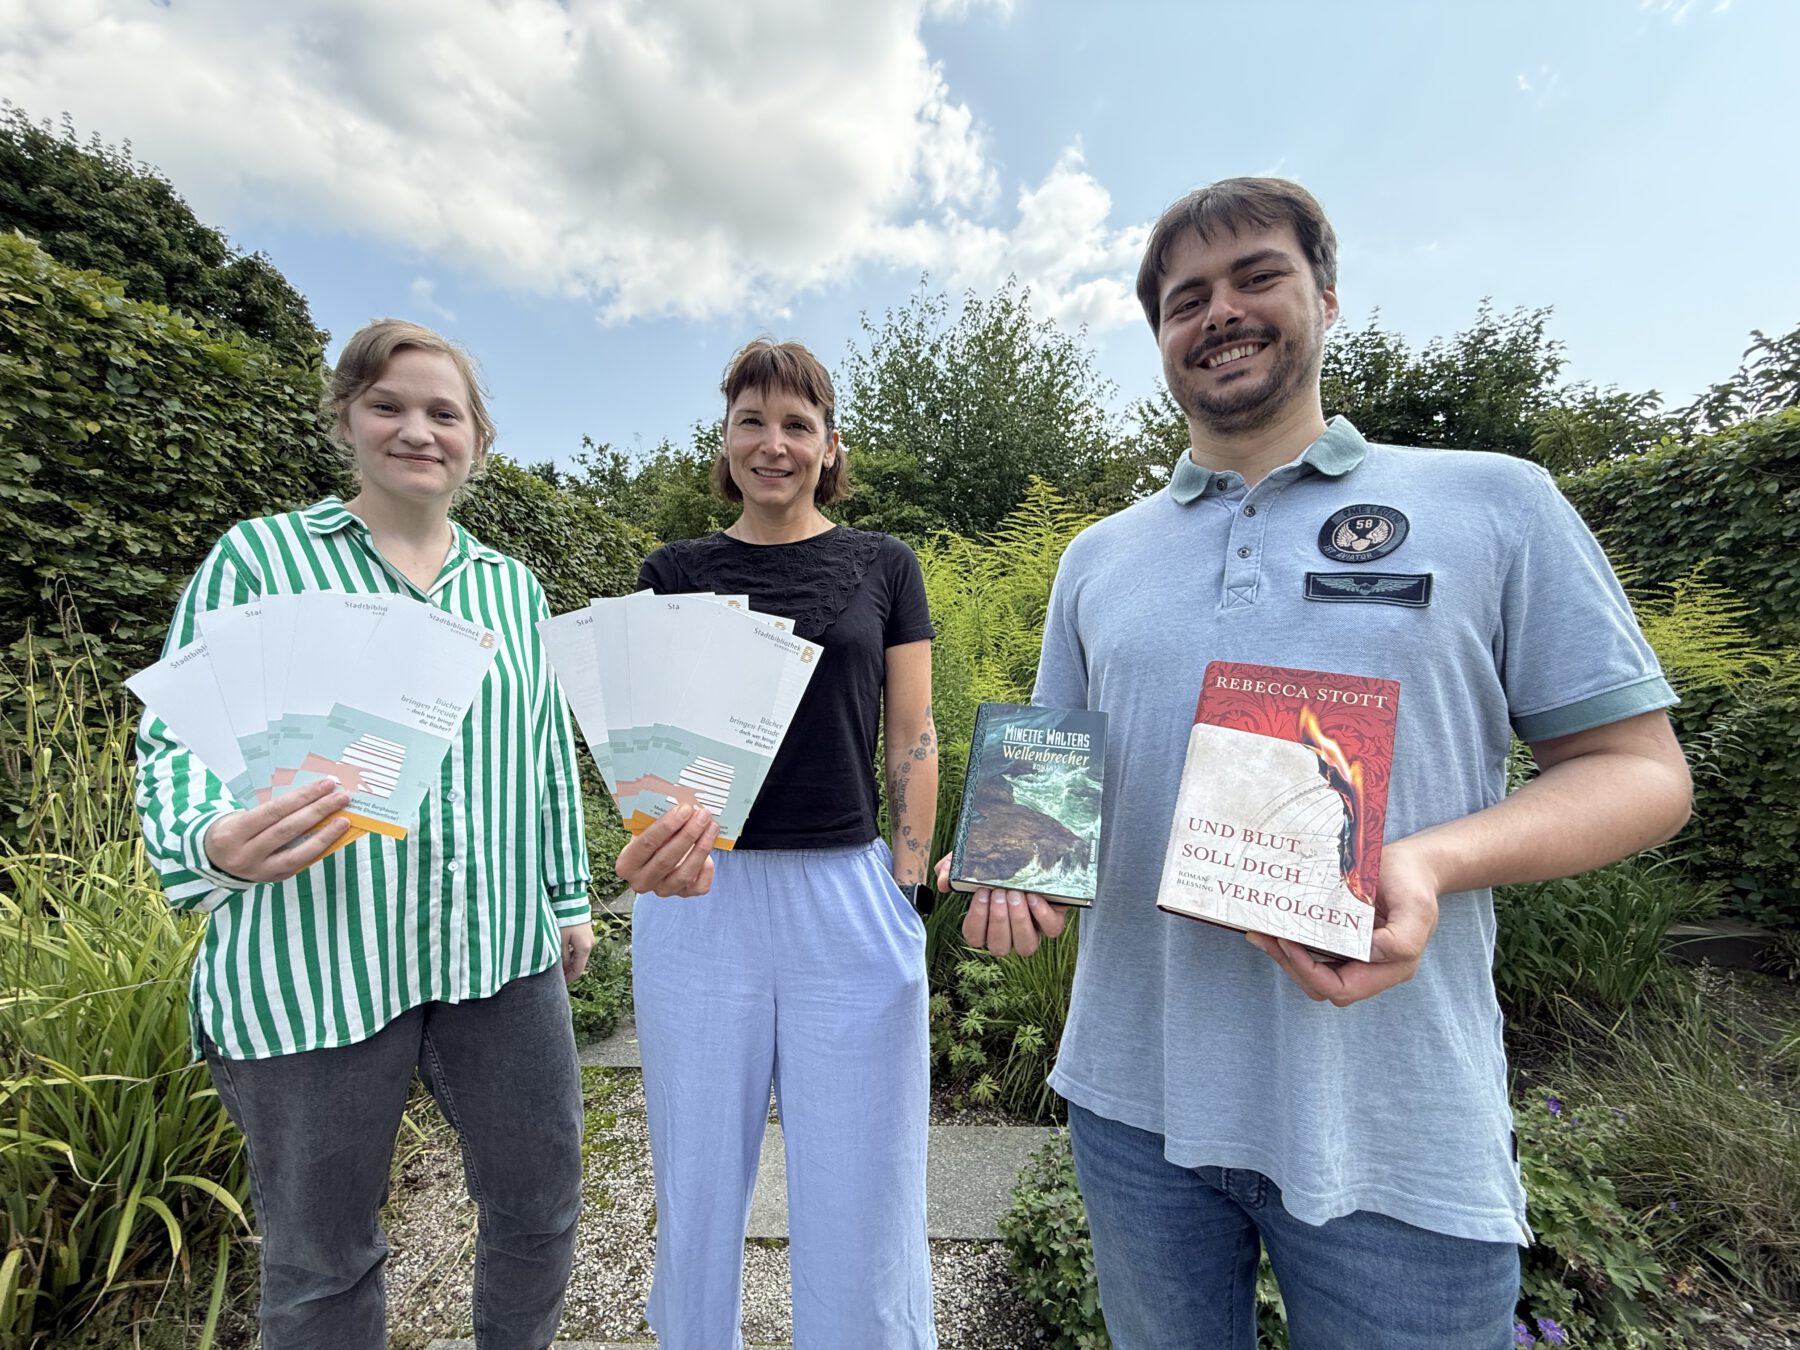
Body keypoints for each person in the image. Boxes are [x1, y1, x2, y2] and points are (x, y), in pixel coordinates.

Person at [942, 178, 1693, 1349]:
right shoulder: (1098, 558)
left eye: (1257, 277)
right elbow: (1055, 785)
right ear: (1160, 337)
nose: (1220, 312)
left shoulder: (1495, 504)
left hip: (1397, 1127)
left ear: (1327, 298)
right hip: (1134, 1107)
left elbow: (1641, 771)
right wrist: (1018, 869)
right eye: (1186, 298)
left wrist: (1431, 863)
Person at [134, 319, 593, 1350]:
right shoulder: (260, 561)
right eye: (389, 405)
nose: (418, 430)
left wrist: (567, 900)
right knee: (321, 1260)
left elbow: (539, 755)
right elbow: (175, 737)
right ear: (345, 418)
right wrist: (210, 841)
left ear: (478, 438)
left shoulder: (511, 588)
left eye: (444, 413)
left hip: (498, 952)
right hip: (319, 960)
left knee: (542, 1205)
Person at [616, 338, 939, 1349]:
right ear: (724, 441)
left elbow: (912, 733)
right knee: (698, 1174)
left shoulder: (885, 566)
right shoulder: (673, 572)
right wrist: (648, 842)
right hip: (702, 898)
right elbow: (648, 747)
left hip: (847, 894)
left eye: (797, 424)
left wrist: (909, 886)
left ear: (830, 445)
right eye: (751, 421)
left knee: (866, 1180)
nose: (774, 443)